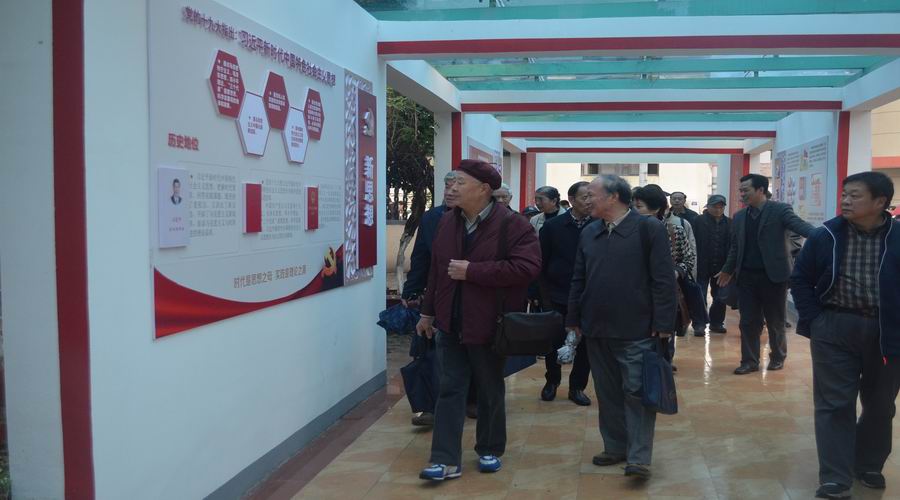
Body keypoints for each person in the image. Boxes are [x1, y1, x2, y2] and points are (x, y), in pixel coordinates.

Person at [416, 160, 541, 481]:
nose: (452, 188)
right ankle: (444, 459)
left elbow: (527, 268)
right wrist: (427, 312)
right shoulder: (447, 221)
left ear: (484, 189)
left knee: (489, 388)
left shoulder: (513, 224)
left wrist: (473, 271)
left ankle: (490, 448)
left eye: (460, 182)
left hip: (490, 323)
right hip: (450, 322)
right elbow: (437, 270)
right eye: (451, 182)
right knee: (449, 389)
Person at [791, 172, 900, 500]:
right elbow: (801, 279)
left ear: (880, 202)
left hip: (888, 331)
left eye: (855, 195)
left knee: (880, 405)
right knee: (834, 405)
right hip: (835, 327)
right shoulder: (826, 235)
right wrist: (816, 321)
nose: (846, 201)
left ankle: (867, 464)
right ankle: (835, 478)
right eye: (844, 194)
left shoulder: (898, 236)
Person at [567, 174, 676, 479]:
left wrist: (664, 323)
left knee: (637, 392)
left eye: (591, 195)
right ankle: (615, 446)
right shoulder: (590, 232)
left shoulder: (648, 228)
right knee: (608, 392)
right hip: (596, 327)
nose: (586, 200)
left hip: (637, 328)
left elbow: (663, 279)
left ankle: (638, 458)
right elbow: (579, 278)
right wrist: (573, 319)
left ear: (613, 197)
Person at [717, 174, 814, 375]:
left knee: (775, 321)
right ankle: (749, 361)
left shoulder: (779, 210)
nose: (742, 194)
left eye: (746, 190)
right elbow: (735, 247)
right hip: (747, 278)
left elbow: (800, 226)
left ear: (761, 190)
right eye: (741, 190)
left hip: (774, 277)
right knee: (748, 322)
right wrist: (727, 269)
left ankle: (778, 357)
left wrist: (825, 236)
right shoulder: (739, 216)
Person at [402, 170, 459, 427]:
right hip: (434, 296)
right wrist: (411, 291)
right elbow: (421, 256)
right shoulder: (432, 217)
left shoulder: (488, 220)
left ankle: (472, 398)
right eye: (447, 186)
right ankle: (428, 406)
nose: (450, 191)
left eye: (457, 186)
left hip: (471, 298)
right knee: (428, 351)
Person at [537, 181, 593, 406]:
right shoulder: (553, 227)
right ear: (571, 200)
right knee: (553, 341)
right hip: (558, 294)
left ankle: (577, 387)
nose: (589, 201)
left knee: (586, 345)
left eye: (592, 197)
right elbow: (540, 263)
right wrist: (543, 296)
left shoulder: (599, 225)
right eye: (585, 197)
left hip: (589, 296)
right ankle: (552, 381)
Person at [632, 185, 695, 359]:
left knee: (663, 341)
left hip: (663, 293)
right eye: (633, 206)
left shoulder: (674, 231)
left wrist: (675, 272)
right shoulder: (628, 231)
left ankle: (663, 364)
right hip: (635, 295)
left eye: (639, 207)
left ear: (656, 208)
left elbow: (688, 258)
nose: (634, 211)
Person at [692, 194, 731, 335]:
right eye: (715, 206)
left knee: (721, 297)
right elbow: (692, 242)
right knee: (700, 296)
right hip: (701, 265)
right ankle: (699, 324)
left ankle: (716, 323)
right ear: (708, 206)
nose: (718, 209)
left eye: (721, 207)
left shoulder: (730, 223)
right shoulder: (698, 221)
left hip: (722, 267)